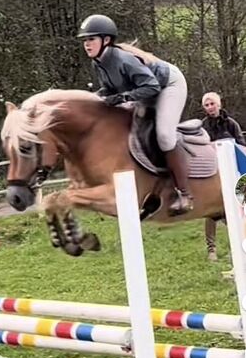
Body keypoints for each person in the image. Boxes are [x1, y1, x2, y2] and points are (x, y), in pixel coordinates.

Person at [77, 13, 193, 216]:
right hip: (145, 90)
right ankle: (152, 190)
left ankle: (184, 194)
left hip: (168, 85)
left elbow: (152, 87)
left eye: (91, 39)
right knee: (131, 131)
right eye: (85, 40)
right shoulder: (98, 61)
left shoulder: (123, 59)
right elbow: (108, 88)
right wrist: (91, 100)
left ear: (106, 40)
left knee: (164, 136)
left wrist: (121, 98)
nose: (87, 44)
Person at [201, 91, 246, 261]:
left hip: (233, 172)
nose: (210, 107)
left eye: (212, 104)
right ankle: (211, 249)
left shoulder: (231, 124)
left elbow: (242, 146)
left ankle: (238, 244)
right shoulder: (203, 127)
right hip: (213, 174)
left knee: (236, 210)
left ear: (219, 104)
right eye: (206, 105)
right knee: (212, 212)